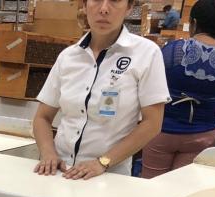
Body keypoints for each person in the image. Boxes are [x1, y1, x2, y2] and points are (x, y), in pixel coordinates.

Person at [32, 0, 170, 179]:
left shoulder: (146, 54)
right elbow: (42, 117)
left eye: (114, 1)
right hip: (59, 173)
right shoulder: (68, 57)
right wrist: (48, 153)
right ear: (84, 4)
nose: (104, 9)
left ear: (129, 7)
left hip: (109, 176)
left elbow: (152, 123)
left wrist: (103, 162)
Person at [141, 0, 215, 177]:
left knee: (150, 184)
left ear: (194, 23)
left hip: (161, 130)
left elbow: (149, 91)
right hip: (203, 134)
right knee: (182, 189)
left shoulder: (171, 51)